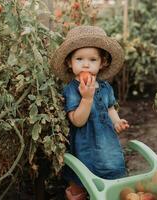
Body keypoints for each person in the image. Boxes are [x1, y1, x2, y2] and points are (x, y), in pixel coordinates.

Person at [50, 25, 129, 200]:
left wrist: (116, 121)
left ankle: (108, 194)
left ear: (102, 63)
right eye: (79, 59)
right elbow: (77, 121)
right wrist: (86, 99)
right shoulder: (71, 89)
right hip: (84, 143)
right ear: (69, 63)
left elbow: (110, 108)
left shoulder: (106, 87)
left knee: (111, 171)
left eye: (92, 60)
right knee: (81, 177)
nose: (86, 64)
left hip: (107, 142)